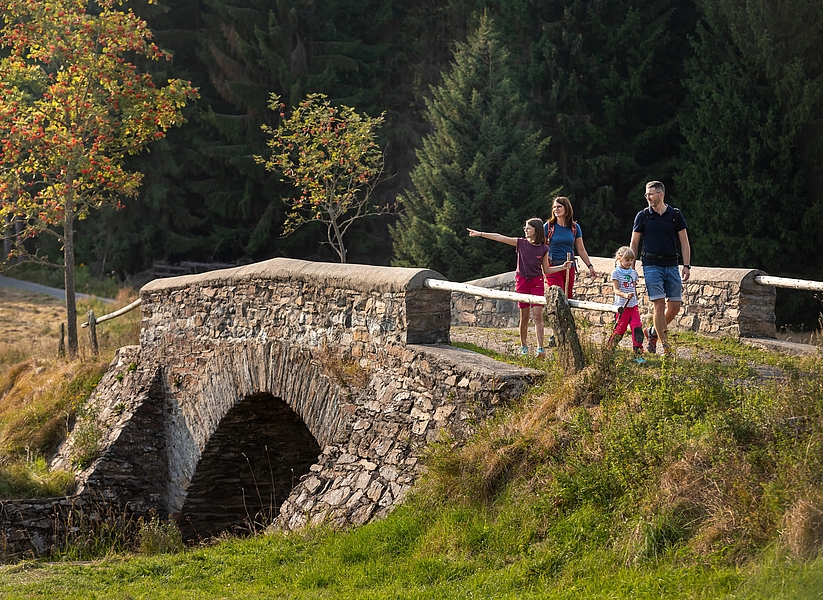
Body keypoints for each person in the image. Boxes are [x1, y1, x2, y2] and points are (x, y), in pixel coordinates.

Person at [468, 219, 571, 357]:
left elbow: (546, 270)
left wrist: (563, 266)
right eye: (525, 228)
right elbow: (500, 237)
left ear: (536, 230)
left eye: (528, 228)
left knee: (538, 316)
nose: (525, 230)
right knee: (524, 316)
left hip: (537, 282)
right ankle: (524, 347)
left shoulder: (544, 248)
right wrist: (480, 234)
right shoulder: (520, 243)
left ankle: (540, 349)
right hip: (522, 281)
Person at [629, 180, 691, 356]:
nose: (647, 197)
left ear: (661, 194)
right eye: (646, 194)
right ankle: (666, 347)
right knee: (658, 305)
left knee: (675, 307)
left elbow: (684, 241)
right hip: (651, 265)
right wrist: (631, 268)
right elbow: (634, 242)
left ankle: (652, 332)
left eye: (650, 194)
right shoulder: (643, 216)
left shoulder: (675, 215)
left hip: (672, 265)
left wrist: (686, 265)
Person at [543, 196, 597, 298]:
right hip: (553, 267)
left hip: (569, 267)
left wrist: (590, 266)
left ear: (566, 208)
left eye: (559, 207)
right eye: (554, 207)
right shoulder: (548, 226)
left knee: (568, 298)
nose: (556, 209)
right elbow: (540, 247)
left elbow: (581, 250)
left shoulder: (575, 227)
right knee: (558, 297)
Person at [608, 246, 645, 363]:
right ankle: (609, 351)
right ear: (619, 259)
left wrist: (636, 299)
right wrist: (624, 295)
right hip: (622, 307)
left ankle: (638, 354)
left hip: (633, 306)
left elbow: (634, 288)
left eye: (631, 260)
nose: (629, 262)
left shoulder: (633, 273)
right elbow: (616, 290)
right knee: (619, 331)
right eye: (627, 260)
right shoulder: (616, 273)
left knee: (637, 329)